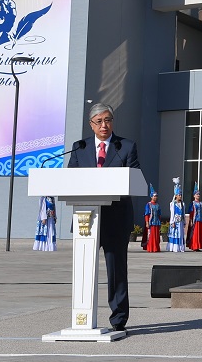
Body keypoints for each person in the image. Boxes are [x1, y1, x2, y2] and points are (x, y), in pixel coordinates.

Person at [66, 102, 140, 333]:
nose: (104, 125)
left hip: (116, 218)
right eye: (98, 121)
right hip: (86, 218)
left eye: (107, 120)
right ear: (91, 125)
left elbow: (134, 179)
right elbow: (70, 180)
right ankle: (82, 316)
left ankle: (118, 319)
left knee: (116, 269)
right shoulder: (79, 148)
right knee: (83, 268)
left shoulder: (126, 147)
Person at [168, 179, 186, 253]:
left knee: (180, 234)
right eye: (179, 195)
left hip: (180, 222)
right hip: (175, 221)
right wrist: (172, 222)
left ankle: (180, 247)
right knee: (175, 234)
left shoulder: (183, 204)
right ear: (176, 196)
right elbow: (172, 213)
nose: (180, 196)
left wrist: (184, 221)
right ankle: (174, 247)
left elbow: (183, 213)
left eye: (181, 195)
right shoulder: (173, 204)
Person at [188, 184, 202, 251]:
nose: (198, 195)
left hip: (201, 219)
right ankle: (194, 246)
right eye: (197, 194)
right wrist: (190, 221)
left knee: (200, 234)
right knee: (195, 233)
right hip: (195, 220)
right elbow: (191, 213)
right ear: (194, 196)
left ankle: (199, 246)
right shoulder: (192, 203)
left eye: (199, 194)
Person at [142, 185, 161, 253]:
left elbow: (159, 214)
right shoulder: (148, 204)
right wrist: (147, 222)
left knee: (156, 236)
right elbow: (146, 214)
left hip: (156, 222)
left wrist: (159, 222)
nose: (155, 197)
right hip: (151, 222)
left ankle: (156, 247)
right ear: (151, 196)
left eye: (156, 196)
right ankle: (151, 247)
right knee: (151, 235)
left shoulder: (157, 205)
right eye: (154, 196)